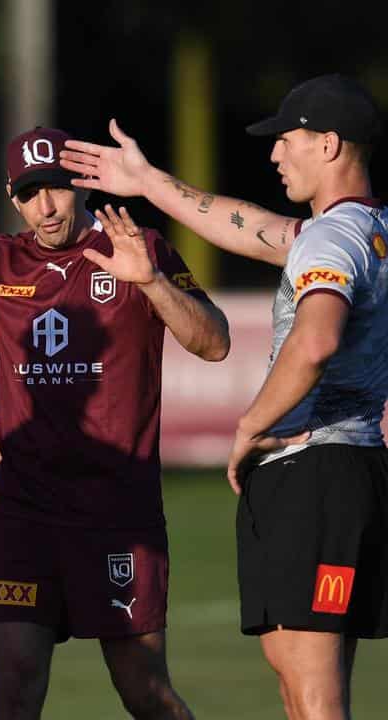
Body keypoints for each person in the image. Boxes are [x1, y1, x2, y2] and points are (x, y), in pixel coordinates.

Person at [0, 126, 230, 719]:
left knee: (145, 692)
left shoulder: (139, 247)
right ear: (14, 196)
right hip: (22, 513)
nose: (47, 206)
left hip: (118, 511)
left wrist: (152, 283)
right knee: (15, 685)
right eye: (32, 192)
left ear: (79, 186)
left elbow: (213, 344)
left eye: (57, 188)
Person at [61, 74, 387, 720]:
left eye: (286, 141)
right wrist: (150, 183)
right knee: (298, 682)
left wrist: (250, 424)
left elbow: (316, 339)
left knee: (316, 692)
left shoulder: (332, 240)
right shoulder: (355, 229)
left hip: (315, 473)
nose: (274, 155)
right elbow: (247, 227)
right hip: (339, 474)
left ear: (328, 145)